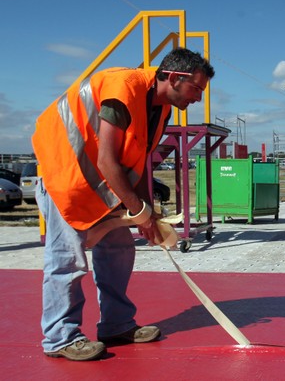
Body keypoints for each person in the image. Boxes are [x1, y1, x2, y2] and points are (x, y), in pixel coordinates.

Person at [32, 48, 215, 361]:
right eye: (196, 88)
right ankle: (60, 337)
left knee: (118, 251)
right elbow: (106, 159)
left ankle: (116, 325)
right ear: (173, 78)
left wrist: (148, 211)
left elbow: (139, 160)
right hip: (67, 179)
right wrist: (139, 212)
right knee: (68, 261)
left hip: (102, 185)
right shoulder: (124, 88)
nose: (198, 98)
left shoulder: (160, 108)